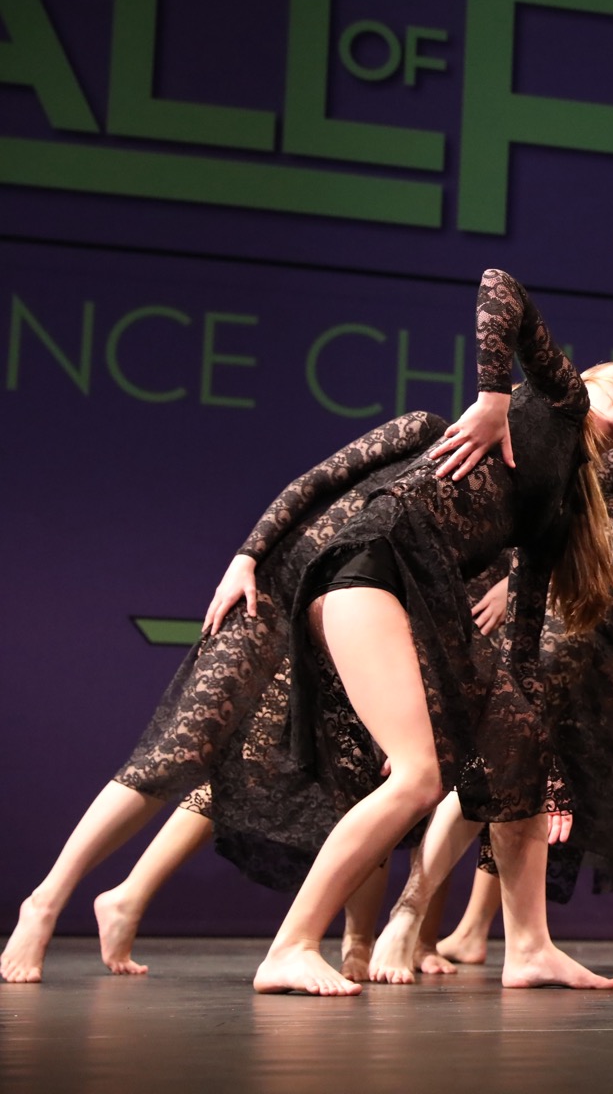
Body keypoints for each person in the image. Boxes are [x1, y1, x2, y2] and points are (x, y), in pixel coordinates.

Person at [248, 268, 613, 996]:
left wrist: (537, 757)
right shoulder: (554, 400)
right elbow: (501, 286)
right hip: (375, 565)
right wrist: (493, 400)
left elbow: (522, 635)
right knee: (420, 774)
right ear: (583, 383)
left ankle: (530, 948)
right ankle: (291, 945)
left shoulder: (562, 502)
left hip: (419, 595)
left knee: (517, 748)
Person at [2, 412, 451, 984]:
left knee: (348, 777)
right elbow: (315, 482)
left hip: (349, 623)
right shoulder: (426, 431)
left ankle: (349, 942)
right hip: (276, 592)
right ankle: (44, 902)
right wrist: (247, 557)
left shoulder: (507, 503)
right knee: (178, 751)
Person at [367, 372, 613, 986]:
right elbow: (583, 483)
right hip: (572, 603)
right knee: (500, 766)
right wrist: (522, 576)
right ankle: (406, 918)